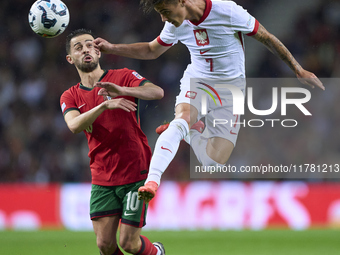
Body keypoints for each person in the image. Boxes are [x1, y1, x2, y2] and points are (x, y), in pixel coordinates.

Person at [93, 0, 325, 203]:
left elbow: (266, 37)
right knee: (182, 118)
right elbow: (152, 50)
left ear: (181, 1)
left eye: (164, 10)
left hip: (231, 88)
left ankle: (189, 132)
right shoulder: (175, 23)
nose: (163, 17)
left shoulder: (227, 11)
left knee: (214, 162)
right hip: (199, 80)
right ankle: (152, 182)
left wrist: (298, 69)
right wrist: (113, 48)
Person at [60, 29, 165, 255]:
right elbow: (73, 125)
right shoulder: (70, 96)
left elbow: (157, 92)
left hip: (134, 171)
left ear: (98, 52)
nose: (86, 50)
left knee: (129, 243)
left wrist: (122, 91)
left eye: (90, 45)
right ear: (70, 59)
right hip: (102, 176)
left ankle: (156, 252)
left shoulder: (123, 75)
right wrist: (104, 105)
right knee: (105, 246)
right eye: (78, 48)